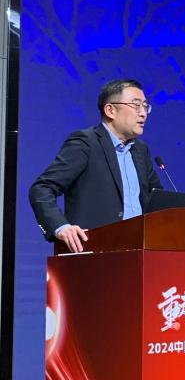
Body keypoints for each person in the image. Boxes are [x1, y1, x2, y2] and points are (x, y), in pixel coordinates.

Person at [29, 79, 163, 254]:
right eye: (136, 105)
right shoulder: (86, 143)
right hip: (92, 251)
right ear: (110, 110)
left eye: (145, 106)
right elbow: (42, 188)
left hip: (138, 253)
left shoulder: (140, 150)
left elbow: (156, 199)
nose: (143, 113)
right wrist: (60, 227)